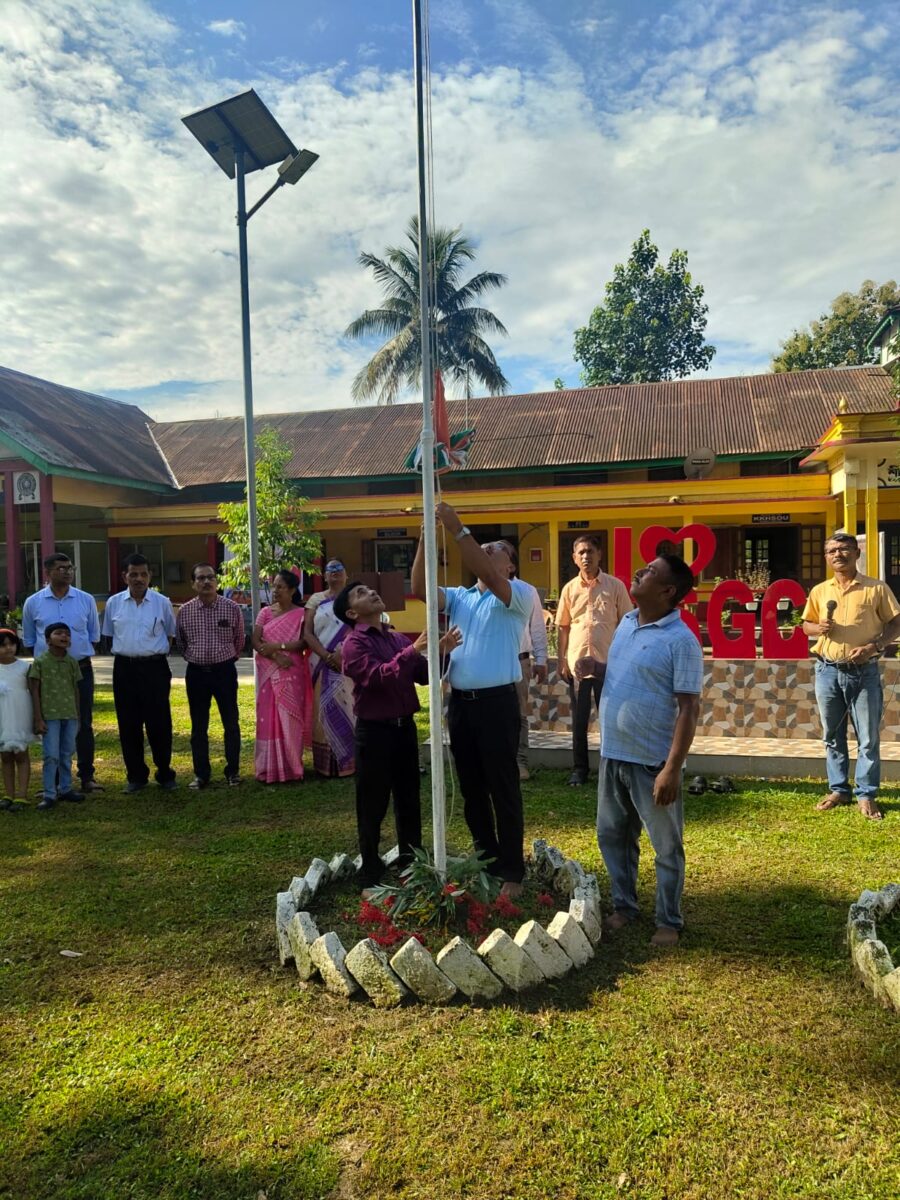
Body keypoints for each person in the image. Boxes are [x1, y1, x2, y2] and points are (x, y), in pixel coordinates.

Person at [411, 502, 532, 896]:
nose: (488, 549)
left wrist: (458, 528)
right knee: (472, 788)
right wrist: (427, 536)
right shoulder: (461, 597)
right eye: (486, 546)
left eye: (498, 548)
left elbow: (487, 573)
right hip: (462, 703)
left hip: (497, 705)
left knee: (503, 787)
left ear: (511, 566)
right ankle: (487, 859)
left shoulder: (518, 594)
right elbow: (419, 590)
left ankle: (512, 870)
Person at [597, 554, 702, 948]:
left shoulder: (681, 641)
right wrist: (596, 667)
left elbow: (689, 708)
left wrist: (672, 769)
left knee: (666, 846)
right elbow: (627, 673)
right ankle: (624, 907)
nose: (640, 571)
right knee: (612, 836)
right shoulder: (626, 623)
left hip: (652, 762)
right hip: (613, 753)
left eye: (651, 572)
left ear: (668, 591)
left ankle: (668, 921)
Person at [336, 579, 461, 892]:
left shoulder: (394, 638)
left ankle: (411, 863)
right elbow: (377, 677)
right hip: (374, 733)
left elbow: (422, 675)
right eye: (361, 592)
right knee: (372, 803)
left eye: (369, 589)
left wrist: (441, 652)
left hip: (405, 729)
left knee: (408, 799)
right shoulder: (353, 644)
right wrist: (413, 650)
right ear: (352, 613)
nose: (372, 591)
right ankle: (370, 870)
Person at [802, 531, 900, 821]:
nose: (838, 554)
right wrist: (817, 628)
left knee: (867, 736)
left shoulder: (876, 589)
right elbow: (806, 625)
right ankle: (839, 789)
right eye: (832, 551)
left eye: (844, 549)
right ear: (826, 557)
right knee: (832, 734)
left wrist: (874, 647)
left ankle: (866, 793)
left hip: (863, 672)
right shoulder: (820, 591)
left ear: (857, 553)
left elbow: (896, 623)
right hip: (827, 670)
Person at [22, 552, 102, 792]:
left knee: (83, 722)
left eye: (69, 568)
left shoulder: (85, 599)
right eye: (61, 568)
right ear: (47, 572)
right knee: (52, 722)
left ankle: (86, 776)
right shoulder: (33, 603)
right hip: (48, 674)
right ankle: (54, 780)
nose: (67, 572)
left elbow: (93, 636)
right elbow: (30, 640)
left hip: (80, 669)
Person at [556, 535, 632, 787]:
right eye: (581, 553)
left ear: (600, 554)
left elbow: (627, 624)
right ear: (574, 558)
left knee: (610, 719)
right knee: (579, 722)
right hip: (577, 665)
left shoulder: (615, 586)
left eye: (590, 551)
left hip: (607, 666)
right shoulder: (569, 589)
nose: (586, 556)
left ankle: (611, 768)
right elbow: (563, 627)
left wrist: (623, 660)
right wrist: (562, 661)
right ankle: (579, 769)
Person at [101, 553, 177, 794]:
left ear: (150, 576)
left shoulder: (162, 602)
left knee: (159, 722)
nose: (139, 579)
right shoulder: (114, 603)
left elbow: (170, 634)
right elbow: (109, 635)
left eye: (143, 574)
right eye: (133, 574)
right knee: (128, 723)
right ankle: (136, 776)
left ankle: (164, 773)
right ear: (125, 576)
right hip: (125, 669)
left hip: (155, 668)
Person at [176, 563, 246, 789]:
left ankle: (233, 772)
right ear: (193, 583)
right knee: (198, 726)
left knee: (231, 723)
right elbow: (181, 643)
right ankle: (201, 774)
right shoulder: (185, 611)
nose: (206, 582)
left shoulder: (231, 608)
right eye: (200, 578)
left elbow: (239, 641)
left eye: (210, 577)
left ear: (217, 581)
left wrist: (225, 659)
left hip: (224, 672)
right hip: (196, 673)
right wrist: (196, 658)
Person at [251, 569, 312, 783]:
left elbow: (303, 643)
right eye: (273, 585)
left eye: (280, 586)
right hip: (269, 669)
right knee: (268, 716)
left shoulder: (301, 614)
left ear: (292, 590)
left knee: (290, 716)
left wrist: (279, 646)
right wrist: (276, 656)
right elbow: (256, 641)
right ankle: (269, 767)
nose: (275, 590)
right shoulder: (265, 612)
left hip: (292, 670)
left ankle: (292, 766)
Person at [304, 559, 356, 778]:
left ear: (346, 574)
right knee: (323, 709)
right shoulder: (316, 600)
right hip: (321, 661)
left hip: (349, 660)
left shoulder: (354, 597)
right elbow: (307, 633)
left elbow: (360, 626)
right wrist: (326, 655)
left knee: (350, 707)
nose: (335, 572)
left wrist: (342, 653)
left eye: (339, 569)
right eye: (330, 569)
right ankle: (326, 765)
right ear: (324, 576)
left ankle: (349, 762)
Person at [502, 544, 548, 781]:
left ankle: (519, 762)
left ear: (511, 565)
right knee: (494, 712)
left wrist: (541, 659)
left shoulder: (526, 591)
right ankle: (498, 760)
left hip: (519, 661)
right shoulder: (483, 591)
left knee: (519, 713)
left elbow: (537, 627)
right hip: (493, 661)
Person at [27, 622, 85, 811]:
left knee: (66, 754)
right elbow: (34, 691)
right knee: (51, 755)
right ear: (47, 640)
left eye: (67, 634)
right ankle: (49, 793)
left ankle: (66, 788)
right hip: (50, 716)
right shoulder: (41, 662)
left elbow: (76, 689)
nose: (64, 636)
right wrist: (38, 718)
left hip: (69, 715)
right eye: (58, 633)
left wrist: (77, 715)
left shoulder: (72, 662)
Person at [0, 628, 36, 810]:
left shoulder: (25, 667)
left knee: (21, 753)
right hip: (2, 715)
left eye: (11, 644)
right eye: (3, 645)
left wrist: (37, 716)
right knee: (5, 755)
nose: (8, 648)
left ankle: (21, 794)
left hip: (20, 713)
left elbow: (33, 691)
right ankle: (9, 794)